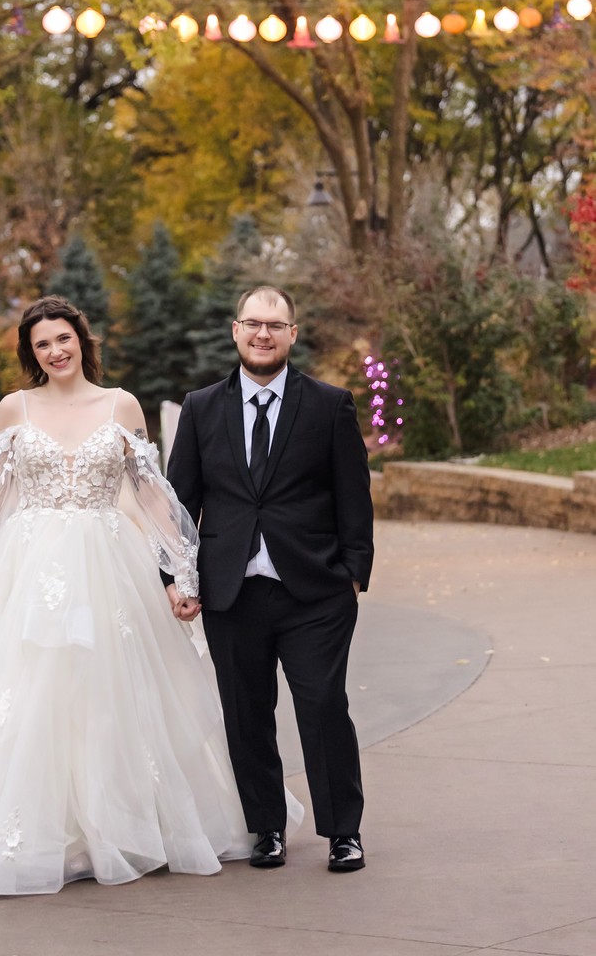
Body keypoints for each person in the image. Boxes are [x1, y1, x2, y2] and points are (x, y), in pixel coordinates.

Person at [0, 295, 258, 894]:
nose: (56, 351)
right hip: (31, 572)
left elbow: (152, 494)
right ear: (31, 354)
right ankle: (43, 833)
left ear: (82, 341)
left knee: (110, 692)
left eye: (63, 339)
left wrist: (182, 574)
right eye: (42, 345)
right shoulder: (14, 409)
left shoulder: (120, 404)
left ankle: (121, 826)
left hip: (110, 564)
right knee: (33, 694)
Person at [166, 285, 374, 873]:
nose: (263, 334)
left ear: (292, 335)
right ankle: (267, 828)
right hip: (232, 594)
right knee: (246, 714)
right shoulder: (202, 407)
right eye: (253, 323)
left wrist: (353, 574)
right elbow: (179, 503)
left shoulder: (329, 405)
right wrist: (175, 577)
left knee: (323, 707)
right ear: (235, 330)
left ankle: (343, 832)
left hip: (315, 593)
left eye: (275, 325)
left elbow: (354, 496)